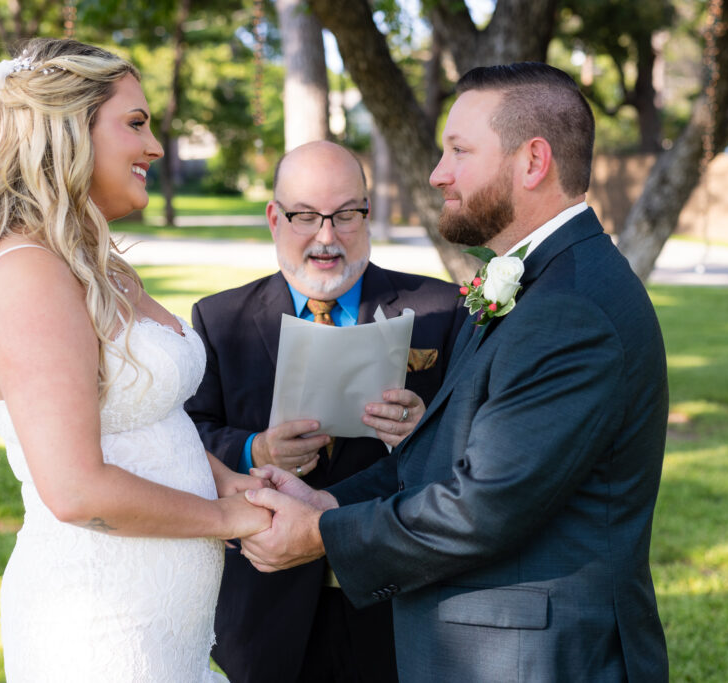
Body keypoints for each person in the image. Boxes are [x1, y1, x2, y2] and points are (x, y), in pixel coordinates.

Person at [240, 63, 670, 682]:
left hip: (534, 660)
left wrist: (323, 535)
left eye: (459, 151)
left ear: (532, 162)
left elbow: (481, 508)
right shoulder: (534, 282)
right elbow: (454, 459)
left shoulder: (571, 310)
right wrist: (326, 499)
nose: (438, 173)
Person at [0, 38, 270, 681]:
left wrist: (225, 478)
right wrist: (224, 518)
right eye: (135, 123)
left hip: (160, 623)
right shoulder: (27, 278)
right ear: (67, 132)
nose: (154, 146)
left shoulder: (98, 266)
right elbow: (74, 489)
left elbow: (142, 424)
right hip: (99, 627)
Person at [185, 140, 465, 683]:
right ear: (274, 218)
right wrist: (253, 449)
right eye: (306, 216)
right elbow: (187, 435)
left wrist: (421, 430)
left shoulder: (442, 308)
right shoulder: (219, 319)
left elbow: (475, 444)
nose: (327, 236)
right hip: (267, 609)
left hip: (395, 603)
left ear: (367, 213)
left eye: (346, 215)